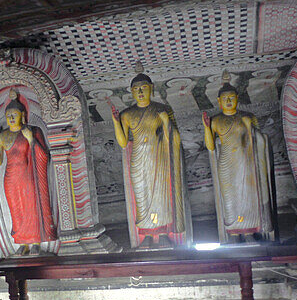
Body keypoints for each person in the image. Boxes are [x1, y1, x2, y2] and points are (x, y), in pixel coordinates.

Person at [111, 71, 186, 247]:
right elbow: (123, 143)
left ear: (151, 89)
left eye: (144, 88)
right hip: (138, 159)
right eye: (136, 89)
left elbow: (175, 138)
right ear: (131, 91)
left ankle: (164, 233)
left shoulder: (162, 109)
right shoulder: (127, 114)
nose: (140, 92)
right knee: (142, 198)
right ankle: (147, 236)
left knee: (161, 196)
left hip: (159, 158)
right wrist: (115, 122)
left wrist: (166, 121)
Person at [202, 75, 276, 242]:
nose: (228, 101)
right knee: (230, 200)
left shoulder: (247, 117)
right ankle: (234, 234)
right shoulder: (216, 120)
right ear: (219, 101)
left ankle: (249, 233)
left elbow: (259, 141)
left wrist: (250, 128)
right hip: (227, 164)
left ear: (238, 99)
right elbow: (211, 147)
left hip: (246, 163)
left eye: (232, 98)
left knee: (248, 199)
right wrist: (207, 128)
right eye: (225, 99)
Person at [0, 90, 56, 254]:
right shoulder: (3, 135)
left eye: (14, 114)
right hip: (10, 179)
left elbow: (44, 156)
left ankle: (36, 242)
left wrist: (31, 138)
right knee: (16, 212)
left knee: (32, 208)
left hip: (29, 177)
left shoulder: (33, 130)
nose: (11, 118)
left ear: (22, 115)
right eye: (8, 115)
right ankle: (22, 243)